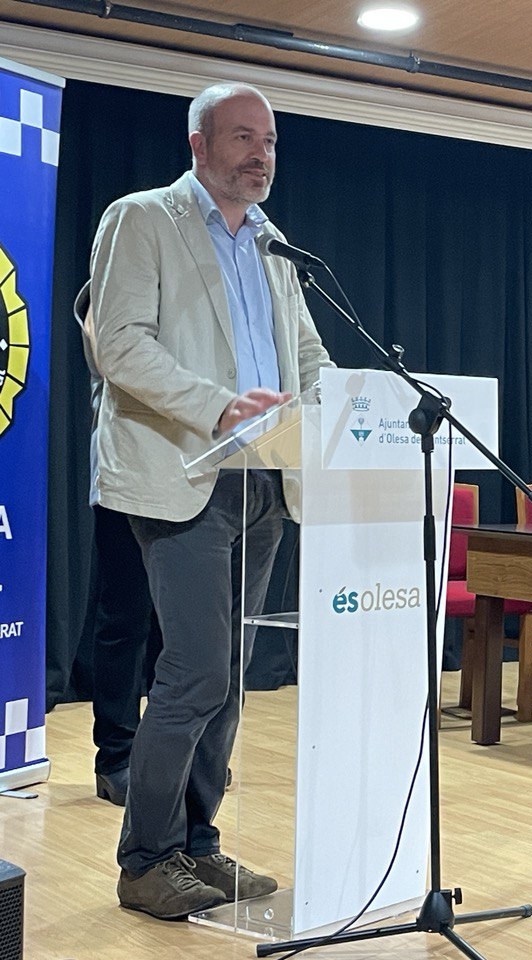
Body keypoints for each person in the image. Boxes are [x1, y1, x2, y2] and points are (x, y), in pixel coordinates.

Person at [90, 81, 331, 921]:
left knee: (229, 678)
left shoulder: (272, 241)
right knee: (193, 671)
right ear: (199, 145)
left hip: (263, 478)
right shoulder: (143, 218)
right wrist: (214, 402)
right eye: (241, 138)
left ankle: (197, 843)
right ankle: (144, 857)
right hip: (182, 473)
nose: (259, 154)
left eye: (268, 141)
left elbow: (305, 351)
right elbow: (117, 342)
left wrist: (342, 407)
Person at [74, 282, 163, 809]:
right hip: (126, 481)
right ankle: (117, 758)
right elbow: (120, 364)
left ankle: (166, 757)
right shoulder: (105, 296)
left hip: (191, 481)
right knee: (125, 620)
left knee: (174, 629)